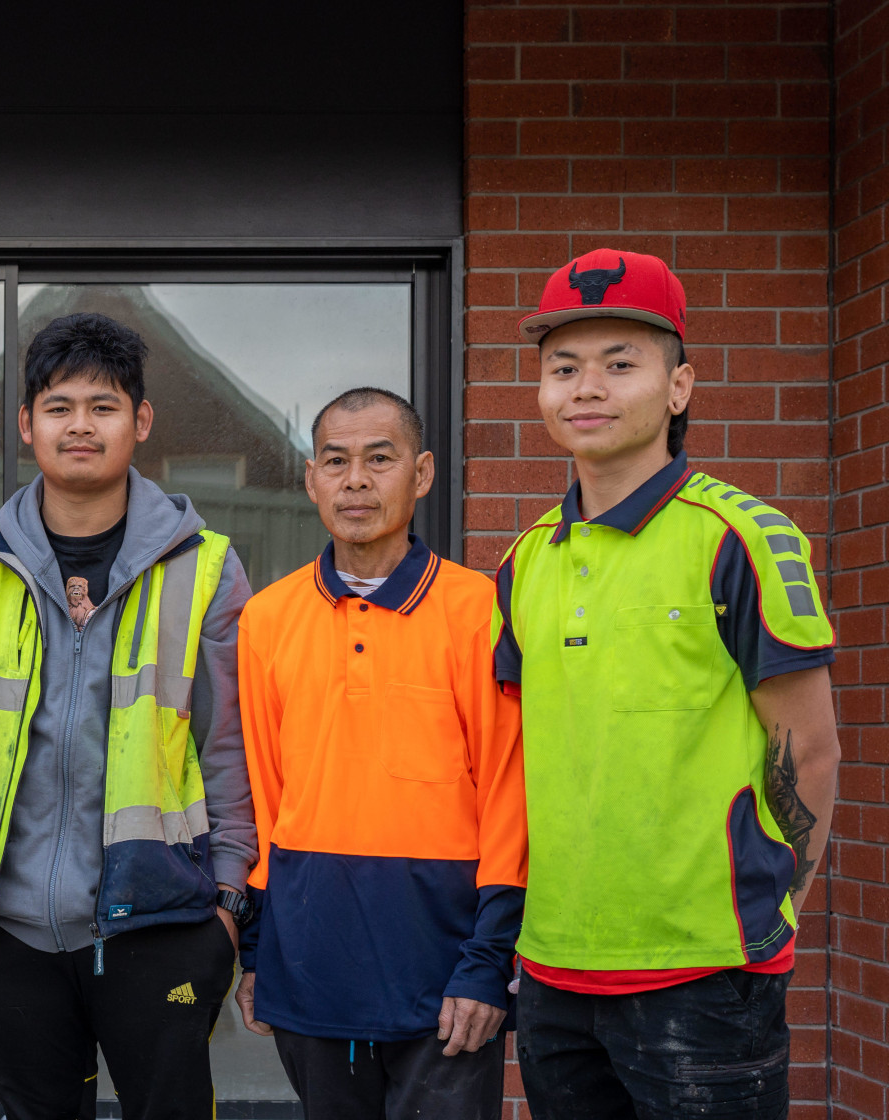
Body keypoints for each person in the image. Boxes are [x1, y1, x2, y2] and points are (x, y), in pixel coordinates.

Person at [496, 248, 839, 1120]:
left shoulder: (741, 538)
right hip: (555, 970)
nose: (587, 388)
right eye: (563, 367)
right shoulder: (526, 560)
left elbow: (811, 748)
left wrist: (773, 917)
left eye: (621, 364)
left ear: (678, 387)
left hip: (706, 976)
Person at [0, 313, 255, 1120]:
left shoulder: (205, 568)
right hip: (4, 934)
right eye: (59, 407)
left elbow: (231, 749)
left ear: (141, 422)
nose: (81, 426)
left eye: (104, 406)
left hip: (164, 923)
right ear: (27, 426)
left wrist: (228, 909)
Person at [231, 387, 524, 1119]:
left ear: (421, 474)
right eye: (336, 461)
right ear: (310, 479)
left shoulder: (479, 609)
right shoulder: (267, 618)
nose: (355, 480)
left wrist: (489, 964)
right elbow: (266, 795)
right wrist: (258, 954)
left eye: (378, 459)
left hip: (445, 967)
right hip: (310, 963)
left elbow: (510, 795)